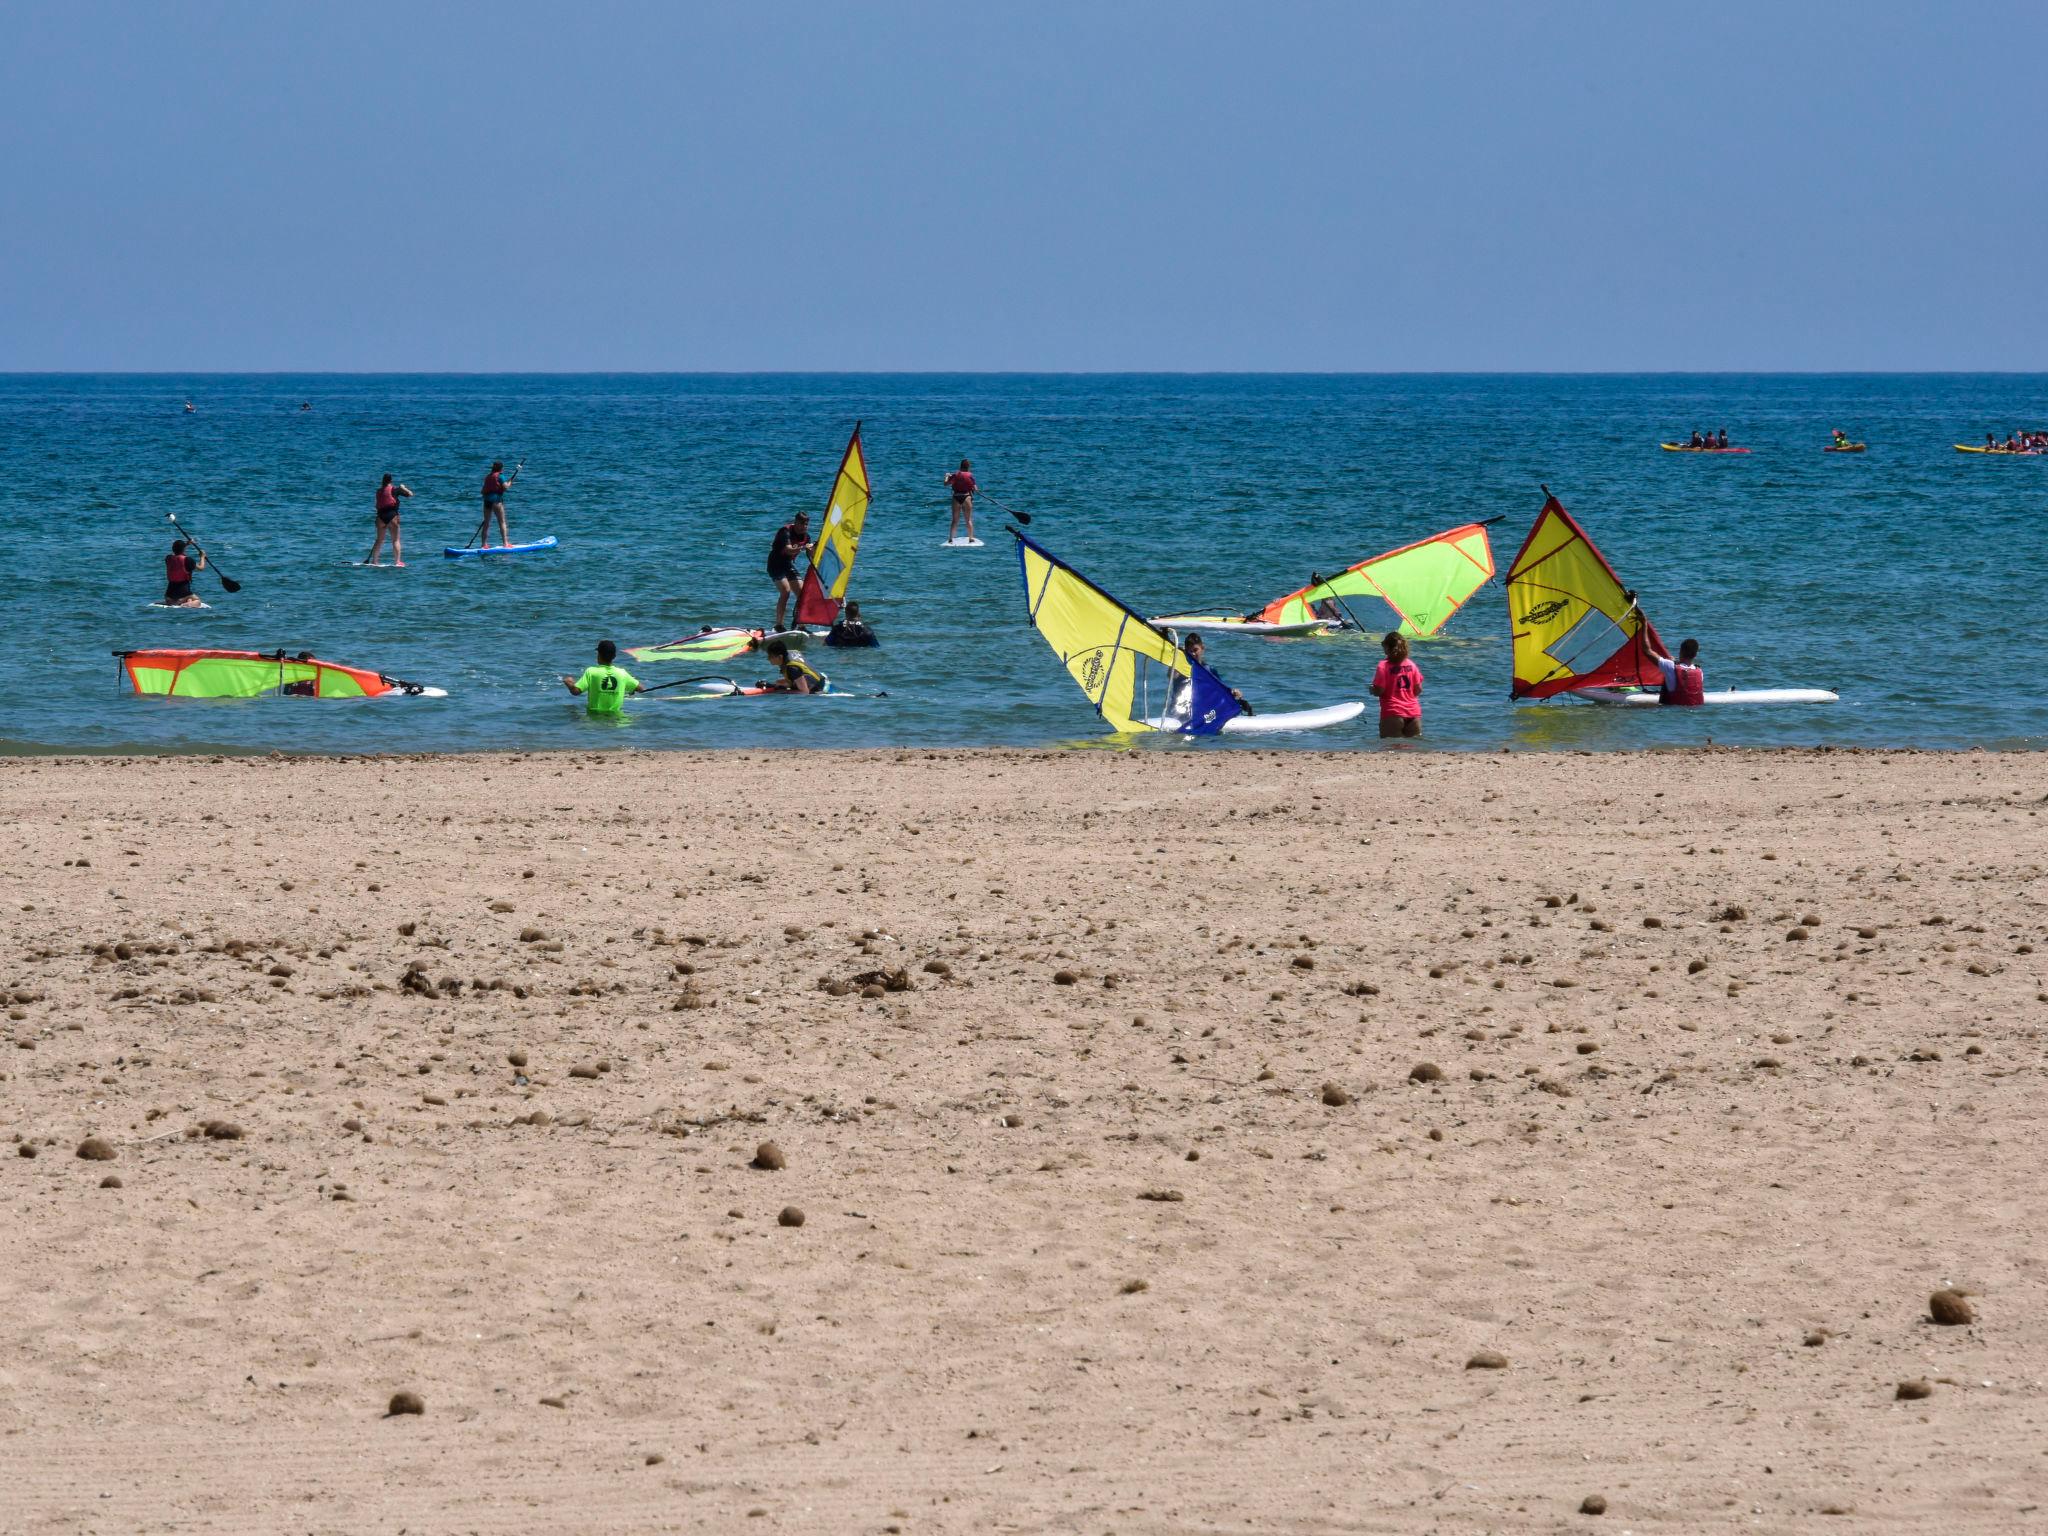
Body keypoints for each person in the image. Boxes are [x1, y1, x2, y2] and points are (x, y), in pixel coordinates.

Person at [1175, 633, 1251, 718]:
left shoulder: (1209, 670)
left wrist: (1233, 692)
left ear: (1202, 648)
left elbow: (1220, 689)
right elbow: (1172, 675)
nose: (1193, 653)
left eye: (1195, 650)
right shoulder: (1180, 668)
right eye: (1190, 651)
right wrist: (1178, 657)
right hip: (1182, 710)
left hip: (1201, 710)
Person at [561, 640, 641, 716]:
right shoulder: (622, 673)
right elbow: (641, 689)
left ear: (598, 655)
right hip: (616, 719)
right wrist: (631, 689)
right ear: (614, 656)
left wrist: (569, 683)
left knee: (573, 714)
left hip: (594, 718)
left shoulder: (591, 672)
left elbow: (576, 692)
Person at [1371, 631, 1423, 739]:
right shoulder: (1411, 665)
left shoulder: (1383, 666)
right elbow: (1418, 690)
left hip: (1393, 713)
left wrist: (1372, 690)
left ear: (1387, 647)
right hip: (1413, 714)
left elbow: (1379, 690)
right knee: (1413, 750)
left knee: (1390, 750)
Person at [768, 511, 811, 631]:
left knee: (803, 594)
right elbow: (788, 550)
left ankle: (802, 625)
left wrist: (817, 547)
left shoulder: (806, 536)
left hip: (788, 565)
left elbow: (811, 554)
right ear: (796, 522)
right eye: (802, 524)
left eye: (806, 524)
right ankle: (779, 625)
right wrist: (803, 547)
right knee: (785, 591)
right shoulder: (785, 532)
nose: (805, 527)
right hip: (775, 564)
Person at [365, 473, 412, 566]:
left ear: (382, 480)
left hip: (380, 517)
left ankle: (374, 561)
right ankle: (397, 562)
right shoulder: (395, 490)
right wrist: (403, 487)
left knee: (379, 540)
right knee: (395, 540)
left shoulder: (378, 491)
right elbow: (410, 494)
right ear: (391, 481)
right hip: (392, 516)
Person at [761, 638, 827, 694]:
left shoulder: (793, 668)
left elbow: (805, 692)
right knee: (779, 682)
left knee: (781, 688)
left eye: (771, 656)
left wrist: (781, 692)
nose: (768, 659)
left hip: (818, 687)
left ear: (780, 657)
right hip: (816, 678)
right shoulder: (787, 654)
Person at [1655, 636, 1706, 706]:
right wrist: (1675, 662)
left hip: (1671, 710)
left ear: (1681, 651)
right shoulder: (1700, 672)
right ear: (1695, 655)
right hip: (1696, 711)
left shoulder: (1670, 666)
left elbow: (1647, 650)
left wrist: (1645, 627)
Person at [162, 538, 206, 607]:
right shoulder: (188, 560)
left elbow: (176, 552)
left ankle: (176, 602)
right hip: (183, 592)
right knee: (198, 601)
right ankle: (185, 604)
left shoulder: (168, 558)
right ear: (183, 549)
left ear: (173, 549)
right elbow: (201, 568)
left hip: (169, 594)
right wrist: (202, 557)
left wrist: (187, 544)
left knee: (175, 600)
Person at [943, 458, 978, 542]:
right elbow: (976, 489)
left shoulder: (955, 475)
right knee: (968, 519)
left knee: (955, 520)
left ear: (960, 466)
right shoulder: (970, 475)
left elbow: (945, 484)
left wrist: (947, 476)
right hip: (966, 497)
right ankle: (971, 538)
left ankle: (951, 539)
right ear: (968, 467)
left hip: (956, 497)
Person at [480, 461, 513, 547]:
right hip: (496, 501)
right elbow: (505, 487)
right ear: (501, 468)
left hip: (487, 501)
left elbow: (482, 491)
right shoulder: (500, 476)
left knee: (486, 523)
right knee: (502, 522)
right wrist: (510, 483)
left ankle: (484, 544)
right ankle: (505, 543)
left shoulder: (488, 477)